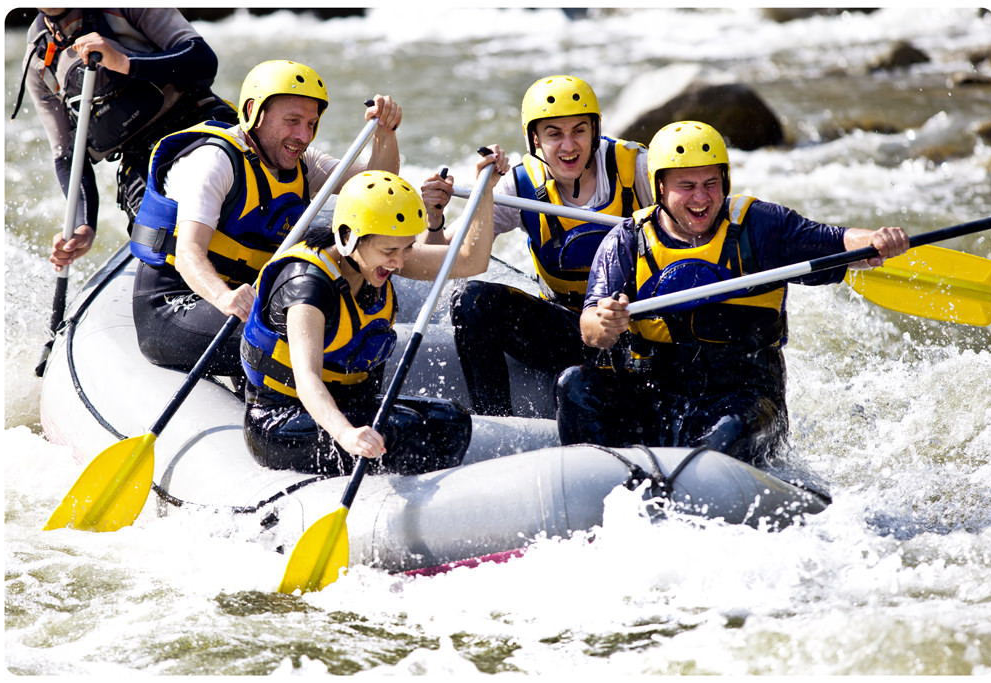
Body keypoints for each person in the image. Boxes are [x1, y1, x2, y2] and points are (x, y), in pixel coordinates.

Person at [555, 120, 910, 465]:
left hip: (745, 401)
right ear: (659, 187)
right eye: (686, 186)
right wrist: (606, 322)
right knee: (576, 384)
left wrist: (875, 241)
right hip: (656, 397)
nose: (701, 198)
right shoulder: (627, 240)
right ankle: (600, 475)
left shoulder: (760, 226)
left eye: (711, 184)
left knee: (727, 433)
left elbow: (838, 243)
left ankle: (702, 474)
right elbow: (591, 328)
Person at [129, 59, 403, 378]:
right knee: (306, 336)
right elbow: (189, 253)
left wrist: (385, 134)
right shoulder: (214, 161)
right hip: (176, 304)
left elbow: (376, 188)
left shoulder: (302, 163)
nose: (303, 135)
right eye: (292, 121)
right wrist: (225, 298)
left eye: (311, 124)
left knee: (348, 326)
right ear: (253, 112)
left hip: (246, 300)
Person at [240, 156, 508, 476]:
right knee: (402, 430)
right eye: (389, 251)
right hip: (282, 419)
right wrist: (346, 435)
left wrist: (485, 190)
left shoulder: (374, 256)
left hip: (349, 405)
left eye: (406, 249)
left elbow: (471, 261)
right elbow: (307, 379)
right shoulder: (306, 287)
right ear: (348, 237)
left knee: (451, 421)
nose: (400, 262)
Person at [421, 74, 652, 417]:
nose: (569, 146)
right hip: (569, 330)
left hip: (636, 330)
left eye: (579, 130)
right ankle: (495, 420)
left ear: (595, 130)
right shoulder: (520, 185)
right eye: (554, 134)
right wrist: (435, 217)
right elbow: (444, 258)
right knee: (472, 300)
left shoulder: (639, 168)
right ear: (535, 139)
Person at [12, 8, 238, 271]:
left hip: (197, 123)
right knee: (158, 254)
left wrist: (123, 62)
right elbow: (68, 155)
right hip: (142, 163)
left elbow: (202, 60)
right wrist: (84, 226)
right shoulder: (38, 59)